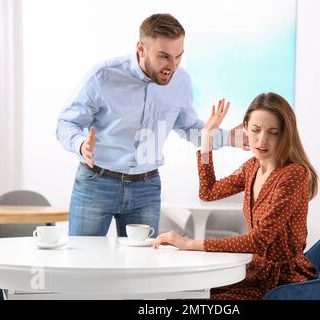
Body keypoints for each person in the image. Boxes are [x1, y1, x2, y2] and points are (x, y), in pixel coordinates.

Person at [56, 13, 247, 237]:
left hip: (145, 188)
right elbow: (66, 123)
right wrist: (80, 145)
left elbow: (188, 128)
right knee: (82, 259)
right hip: (96, 182)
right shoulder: (103, 76)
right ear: (141, 48)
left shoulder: (181, 81)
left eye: (178, 56)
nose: (172, 66)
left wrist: (228, 138)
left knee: (143, 266)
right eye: (164, 57)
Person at [153, 92, 318, 300]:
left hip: (283, 282)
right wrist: (206, 139)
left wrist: (189, 243)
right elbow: (208, 192)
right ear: (245, 128)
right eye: (256, 130)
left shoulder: (293, 174)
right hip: (253, 272)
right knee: (184, 293)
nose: (262, 140)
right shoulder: (252, 167)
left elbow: (259, 241)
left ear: (285, 134)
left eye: (273, 132)